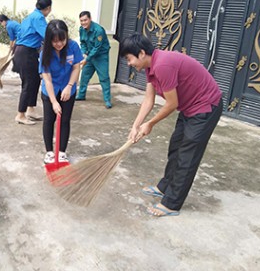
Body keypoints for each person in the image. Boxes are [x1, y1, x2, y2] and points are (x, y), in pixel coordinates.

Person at [120, 33, 223, 217]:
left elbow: (171, 103)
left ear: (141, 53)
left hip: (206, 107)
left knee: (187, 156)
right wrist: (136, 125)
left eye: (129, 59)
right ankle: (164, 187)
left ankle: (172, 203)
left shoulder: (162, 66)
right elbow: (148, 100)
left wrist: (150, 123)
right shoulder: (150, 67)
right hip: (189, 107)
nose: (129, 63)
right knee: (176, 147)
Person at [39, 20, 83, 164]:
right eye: (55, 41)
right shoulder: (45, 52)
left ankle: (62, 152)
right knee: (49, 120)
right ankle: (49, 152)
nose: (59, 44)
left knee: (65, 120)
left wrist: (70, 86)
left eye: (62, 40)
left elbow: (76, 67)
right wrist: (53, 101)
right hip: (50, 90)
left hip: (68, 88)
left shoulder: (73, 47)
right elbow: (48, 80)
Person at [13, 0, 52, 125]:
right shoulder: (39, 18)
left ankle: (30, 109)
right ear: (48, 8)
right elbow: (47, 35)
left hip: (22, 51)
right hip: (26, 53)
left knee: (35, 80)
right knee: (28, 83)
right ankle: (20, 114)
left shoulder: (29, 17)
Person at [76, 11, 112, 109]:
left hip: (100, 56)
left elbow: (97, 48)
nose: (83, 22)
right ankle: (81, 95)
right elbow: (82, 42)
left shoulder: (98, 30)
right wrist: (83, 52)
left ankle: (107, 99)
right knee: (84, 76)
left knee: (104, 78)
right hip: (89, 56)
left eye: (85, 20)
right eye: (81, 21)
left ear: (90, 19)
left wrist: (86, 59)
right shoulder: (81, 29)